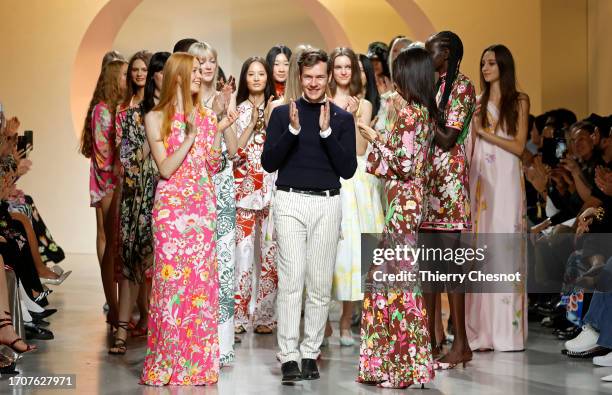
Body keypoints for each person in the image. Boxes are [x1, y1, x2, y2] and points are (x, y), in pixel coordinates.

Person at [140, 53, 237, 386]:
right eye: (194, 71)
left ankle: (195, 362)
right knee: (170, 286)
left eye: (201, 70)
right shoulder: (155, 118)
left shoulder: (207, 114)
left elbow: (212, 165)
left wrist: (218, 129)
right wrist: (191, 136)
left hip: (202, 208)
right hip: (171, 211)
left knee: (199, 286)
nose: (201, 75)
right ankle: (167, 360)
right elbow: (165, 168)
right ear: (178, 76)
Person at [262, 48, 357, 384]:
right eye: (308, 77)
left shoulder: (343, 119)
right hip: (289, 201)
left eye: (320, 76)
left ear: (328, 77)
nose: (314, 83)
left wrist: (328, 133)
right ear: (299, 78)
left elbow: (348, 169)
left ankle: (310, 352)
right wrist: (292, 131)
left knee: (319, 284)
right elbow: (268, 162)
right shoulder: (281, 114)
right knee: (291, 281)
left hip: (327, 203)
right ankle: (288, 354)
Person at [356, 47, 436, 389]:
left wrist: (375, 138)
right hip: (412, 201)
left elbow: (401, 165)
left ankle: (400, 367)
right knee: (394, 279)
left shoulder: (408, 114)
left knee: (395, 282)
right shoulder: (424, 113)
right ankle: (404, 365)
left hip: (402, 203)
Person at [466, 44, 530, 352]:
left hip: (506, 180)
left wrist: (482, 132)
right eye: (483, 64)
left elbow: (519, 146)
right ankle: (485, 331)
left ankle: (508, 332)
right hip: (483, 181)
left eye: (491, 63)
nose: (485, 68)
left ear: (504, 65)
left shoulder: (519, 100)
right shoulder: (476, 102)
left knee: (505, 248)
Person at [420, 31, 476, 369]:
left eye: (433, 52)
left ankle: (462, 344)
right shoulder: (434, 85)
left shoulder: (463, 87)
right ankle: (430, 339)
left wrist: (426, 106)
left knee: (453, 268)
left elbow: (446, 138)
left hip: (451, 186)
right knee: (429, 269)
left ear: (450, 52)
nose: (428, 57)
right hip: (428, 186)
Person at [327, 47, 382, 347]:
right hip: (329, 175)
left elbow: (360, 149)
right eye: (339, 66)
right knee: (328, 249)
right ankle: (324, 323)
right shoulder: (322, 100)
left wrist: (350, 118)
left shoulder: (364, 105)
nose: (344, 71)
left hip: (356, 179)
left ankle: (347, 322)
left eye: (349, 66)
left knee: (354, 250)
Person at [188, 41, 238, 365]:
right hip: (196, 187)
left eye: (211, 60)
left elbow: (231, 151)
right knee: (198, 265)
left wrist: (223, 111)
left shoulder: (222, 98)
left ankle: (221, 346)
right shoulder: (186, 102)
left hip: (222, 185)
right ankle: (195, 340)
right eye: (201, 61)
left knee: (224, 263)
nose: (207, 66)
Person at [110, 50, 158, 354]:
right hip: (132, 194)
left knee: (153, 263)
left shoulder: (165, 111)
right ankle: (122, 331)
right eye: (136, 70)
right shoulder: (125, 112)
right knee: (128, 263)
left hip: (160, 192)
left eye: (145, 69)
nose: (140, 74)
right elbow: (124, 155)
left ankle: (157, 327)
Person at [79, 59, 128, 328]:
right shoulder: (102, 111)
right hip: (108, 182)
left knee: (117, 244)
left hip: (117, 181)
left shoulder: (120, 108)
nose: (128, 78)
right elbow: (102, 154)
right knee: (110, 243)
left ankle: (120, 304)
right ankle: (113, 304)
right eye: (123, 75)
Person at [231, 57, 278, 336]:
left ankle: (265, 316)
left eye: (261, 73)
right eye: (252, 74)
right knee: (243, 255)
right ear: (245, 78)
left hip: (272, 191)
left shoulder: (278, 108)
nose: (257, 78)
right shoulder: (237, 111)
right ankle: (238, 315)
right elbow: (235, 152)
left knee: (270, 256)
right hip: (244, 192)